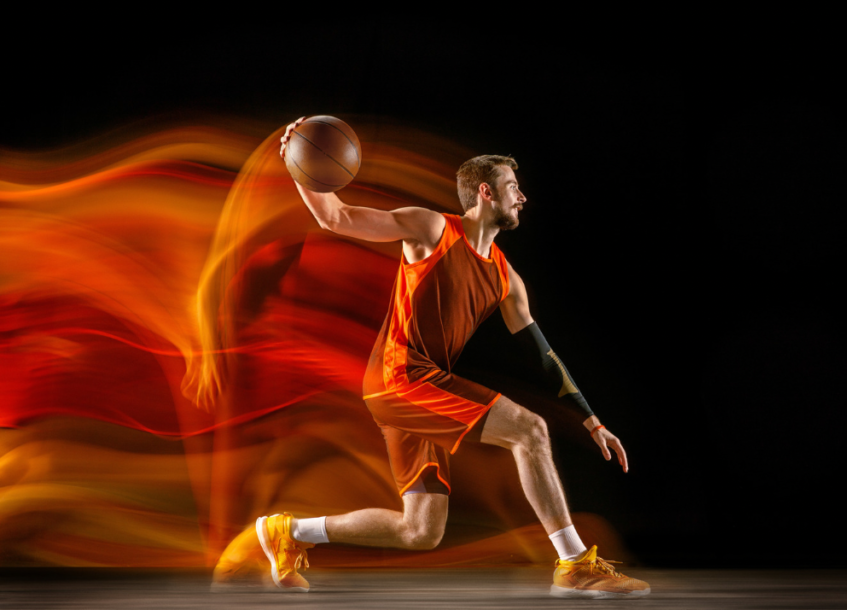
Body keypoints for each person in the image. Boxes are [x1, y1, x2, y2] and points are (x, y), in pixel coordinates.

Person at [212, 134, 649, 599]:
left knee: (420, 531)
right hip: (399, 376)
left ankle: (287, 533)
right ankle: (574, 564)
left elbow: (542, 354)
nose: (522, 196)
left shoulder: (505, 275)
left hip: (419, 386)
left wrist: (591, 418)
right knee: (530, 430)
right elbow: (334, 216)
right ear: (485, 192)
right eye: (512, 186)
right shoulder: (432, 229)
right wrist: (300, 162)